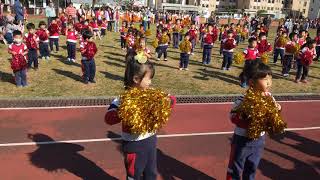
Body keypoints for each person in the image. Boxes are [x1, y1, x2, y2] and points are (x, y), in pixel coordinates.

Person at [104, 51, 176, 180]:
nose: (150, 82)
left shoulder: (151, 94)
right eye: (149, 78)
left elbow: (172, 100)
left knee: (151, 173)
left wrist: (164, 102)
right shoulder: (122, 99)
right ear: (136, 79)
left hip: (151, 140)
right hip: (134, 145)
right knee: (134, 174)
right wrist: (126, 110)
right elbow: (108, 118)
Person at [226, 61, 282, 180]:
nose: (269, 82)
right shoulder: (243, 99)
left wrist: (277, 108)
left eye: (270, 79)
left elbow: (273, 115)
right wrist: (247, 116)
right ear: (252, 82)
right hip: (242, 139)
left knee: (252, 166)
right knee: (236, 166)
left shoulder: (269, 97)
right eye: (265, 79)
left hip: (259, 139)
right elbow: (232, 116)